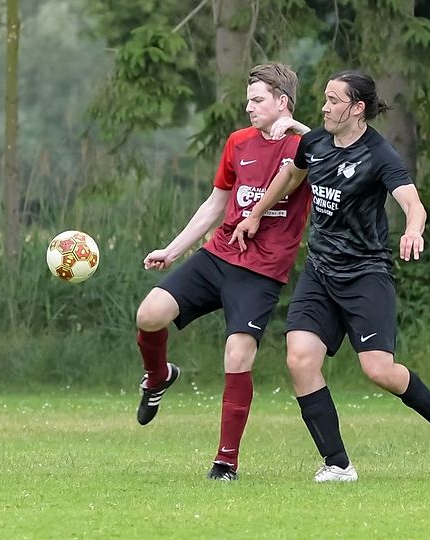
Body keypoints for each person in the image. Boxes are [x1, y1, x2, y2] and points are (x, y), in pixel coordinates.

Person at [230, 70, 430, 482]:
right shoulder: (314, 143)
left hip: (365, 274)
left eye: (333, 100)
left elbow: (413, 204)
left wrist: (413, 230)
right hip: (319, 271)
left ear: (358, 108)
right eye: (325, 98)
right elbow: (290, 177)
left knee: (379, 370)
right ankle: (338, 464)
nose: (324, 107)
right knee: (299, 359)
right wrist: (255, 214)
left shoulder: (380, 154)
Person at [134, 63, 312, 481]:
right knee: (149, 314)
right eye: (248, 100)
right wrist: (173, 250)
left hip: (262, 270)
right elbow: (215, 204)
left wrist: (299, 129)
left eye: (258, 100)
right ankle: (158, 377)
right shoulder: (238, 142)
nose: (249, 107)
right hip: (219, 255)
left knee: (237, 355)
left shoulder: (304, 146)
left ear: (282, 102)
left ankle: (225, 462)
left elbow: (333, 150)